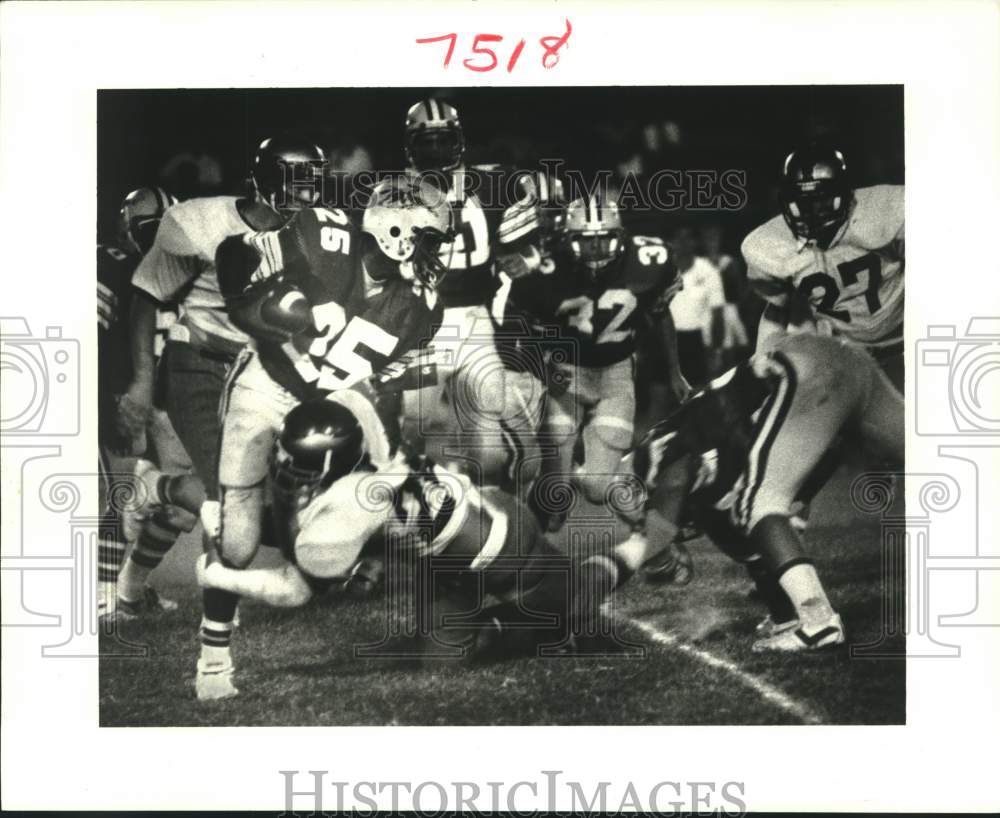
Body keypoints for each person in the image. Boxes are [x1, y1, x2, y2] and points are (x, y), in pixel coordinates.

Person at [196, 176, 453, 700]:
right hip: (266, 386)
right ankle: (213, 658)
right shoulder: (322, 233)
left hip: (333, 408)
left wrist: (391, 457)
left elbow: (386, 384)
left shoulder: (422, 306)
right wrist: (279, 308)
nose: (433, 256)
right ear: (395, 230)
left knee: (322, 550)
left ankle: (245, 531)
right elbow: (233, 256)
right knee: (240, 541)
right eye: (427, 240)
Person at [193, 399, 653, 683]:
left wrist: (218, 575)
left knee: (568, 606)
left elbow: (294, 590)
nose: (284, 466)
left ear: (331, 465)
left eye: (297, 462)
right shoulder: (362, 445)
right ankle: (559, 606)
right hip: (456, 544)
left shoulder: (347, 511)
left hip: (502, 544)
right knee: (441, 661)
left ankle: (640, 548)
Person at [626, 333, 903, 651]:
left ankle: (818, 621)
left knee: (757, 503)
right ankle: (791, 615)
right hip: (848, 364)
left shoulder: (654, 470)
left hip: (808, 372)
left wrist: (649, 551)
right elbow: (741, 542)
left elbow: (678, 479)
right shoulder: (679, 486)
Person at [508, 195, 686, 531]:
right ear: (568, 240)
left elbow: (661, 313)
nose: (596, 250)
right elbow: (520, 324)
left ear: (620, 237)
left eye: (604, 240)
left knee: (598, 486)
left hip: (615, 375)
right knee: (553, 494)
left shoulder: (647, 260)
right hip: (565, 373)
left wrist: (675, 370)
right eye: (586, 242)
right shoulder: (547, 268)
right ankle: (529, 554)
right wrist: (541, 370)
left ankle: (649, 513)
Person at [399, 99, 544, 487]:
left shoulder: (495, 184)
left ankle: (488, 518)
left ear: (459, 141)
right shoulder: (393, 193)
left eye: (441, 140)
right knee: (414, 426)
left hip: (475, 320)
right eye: (425, 142)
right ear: (410, 146)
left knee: (490, 450)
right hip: (419, 324)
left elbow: (532, 245)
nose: (434, 151)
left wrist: (526, 259)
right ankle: (418, 509)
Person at [97, 186, 195, 619]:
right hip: (122, 394)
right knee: (113, 493)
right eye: (149, 229)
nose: (157, 239)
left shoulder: (188, 269)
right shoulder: (110, 263)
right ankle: (103, 595)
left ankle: (129, 590)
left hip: (171, 402)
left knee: (182, 509)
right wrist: (107, 397)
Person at [741, 146, 904, 390]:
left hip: (905, 341)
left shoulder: (889, 211)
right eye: (802, 203)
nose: (812, 212)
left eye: (822, 201)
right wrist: (764, 352)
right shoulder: (769, 244)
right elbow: (778, 309)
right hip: (844, 355)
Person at [666, 225, 727, 387]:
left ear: (695, 242)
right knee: (661, 400)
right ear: (671, 242)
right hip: (665, 342)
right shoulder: (661, 270)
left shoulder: (708, 271)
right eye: (678, 238)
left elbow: (718, 314)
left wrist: (717, 351)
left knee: (698, 398)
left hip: (698, 344)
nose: (683, 243)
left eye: (688, 238)